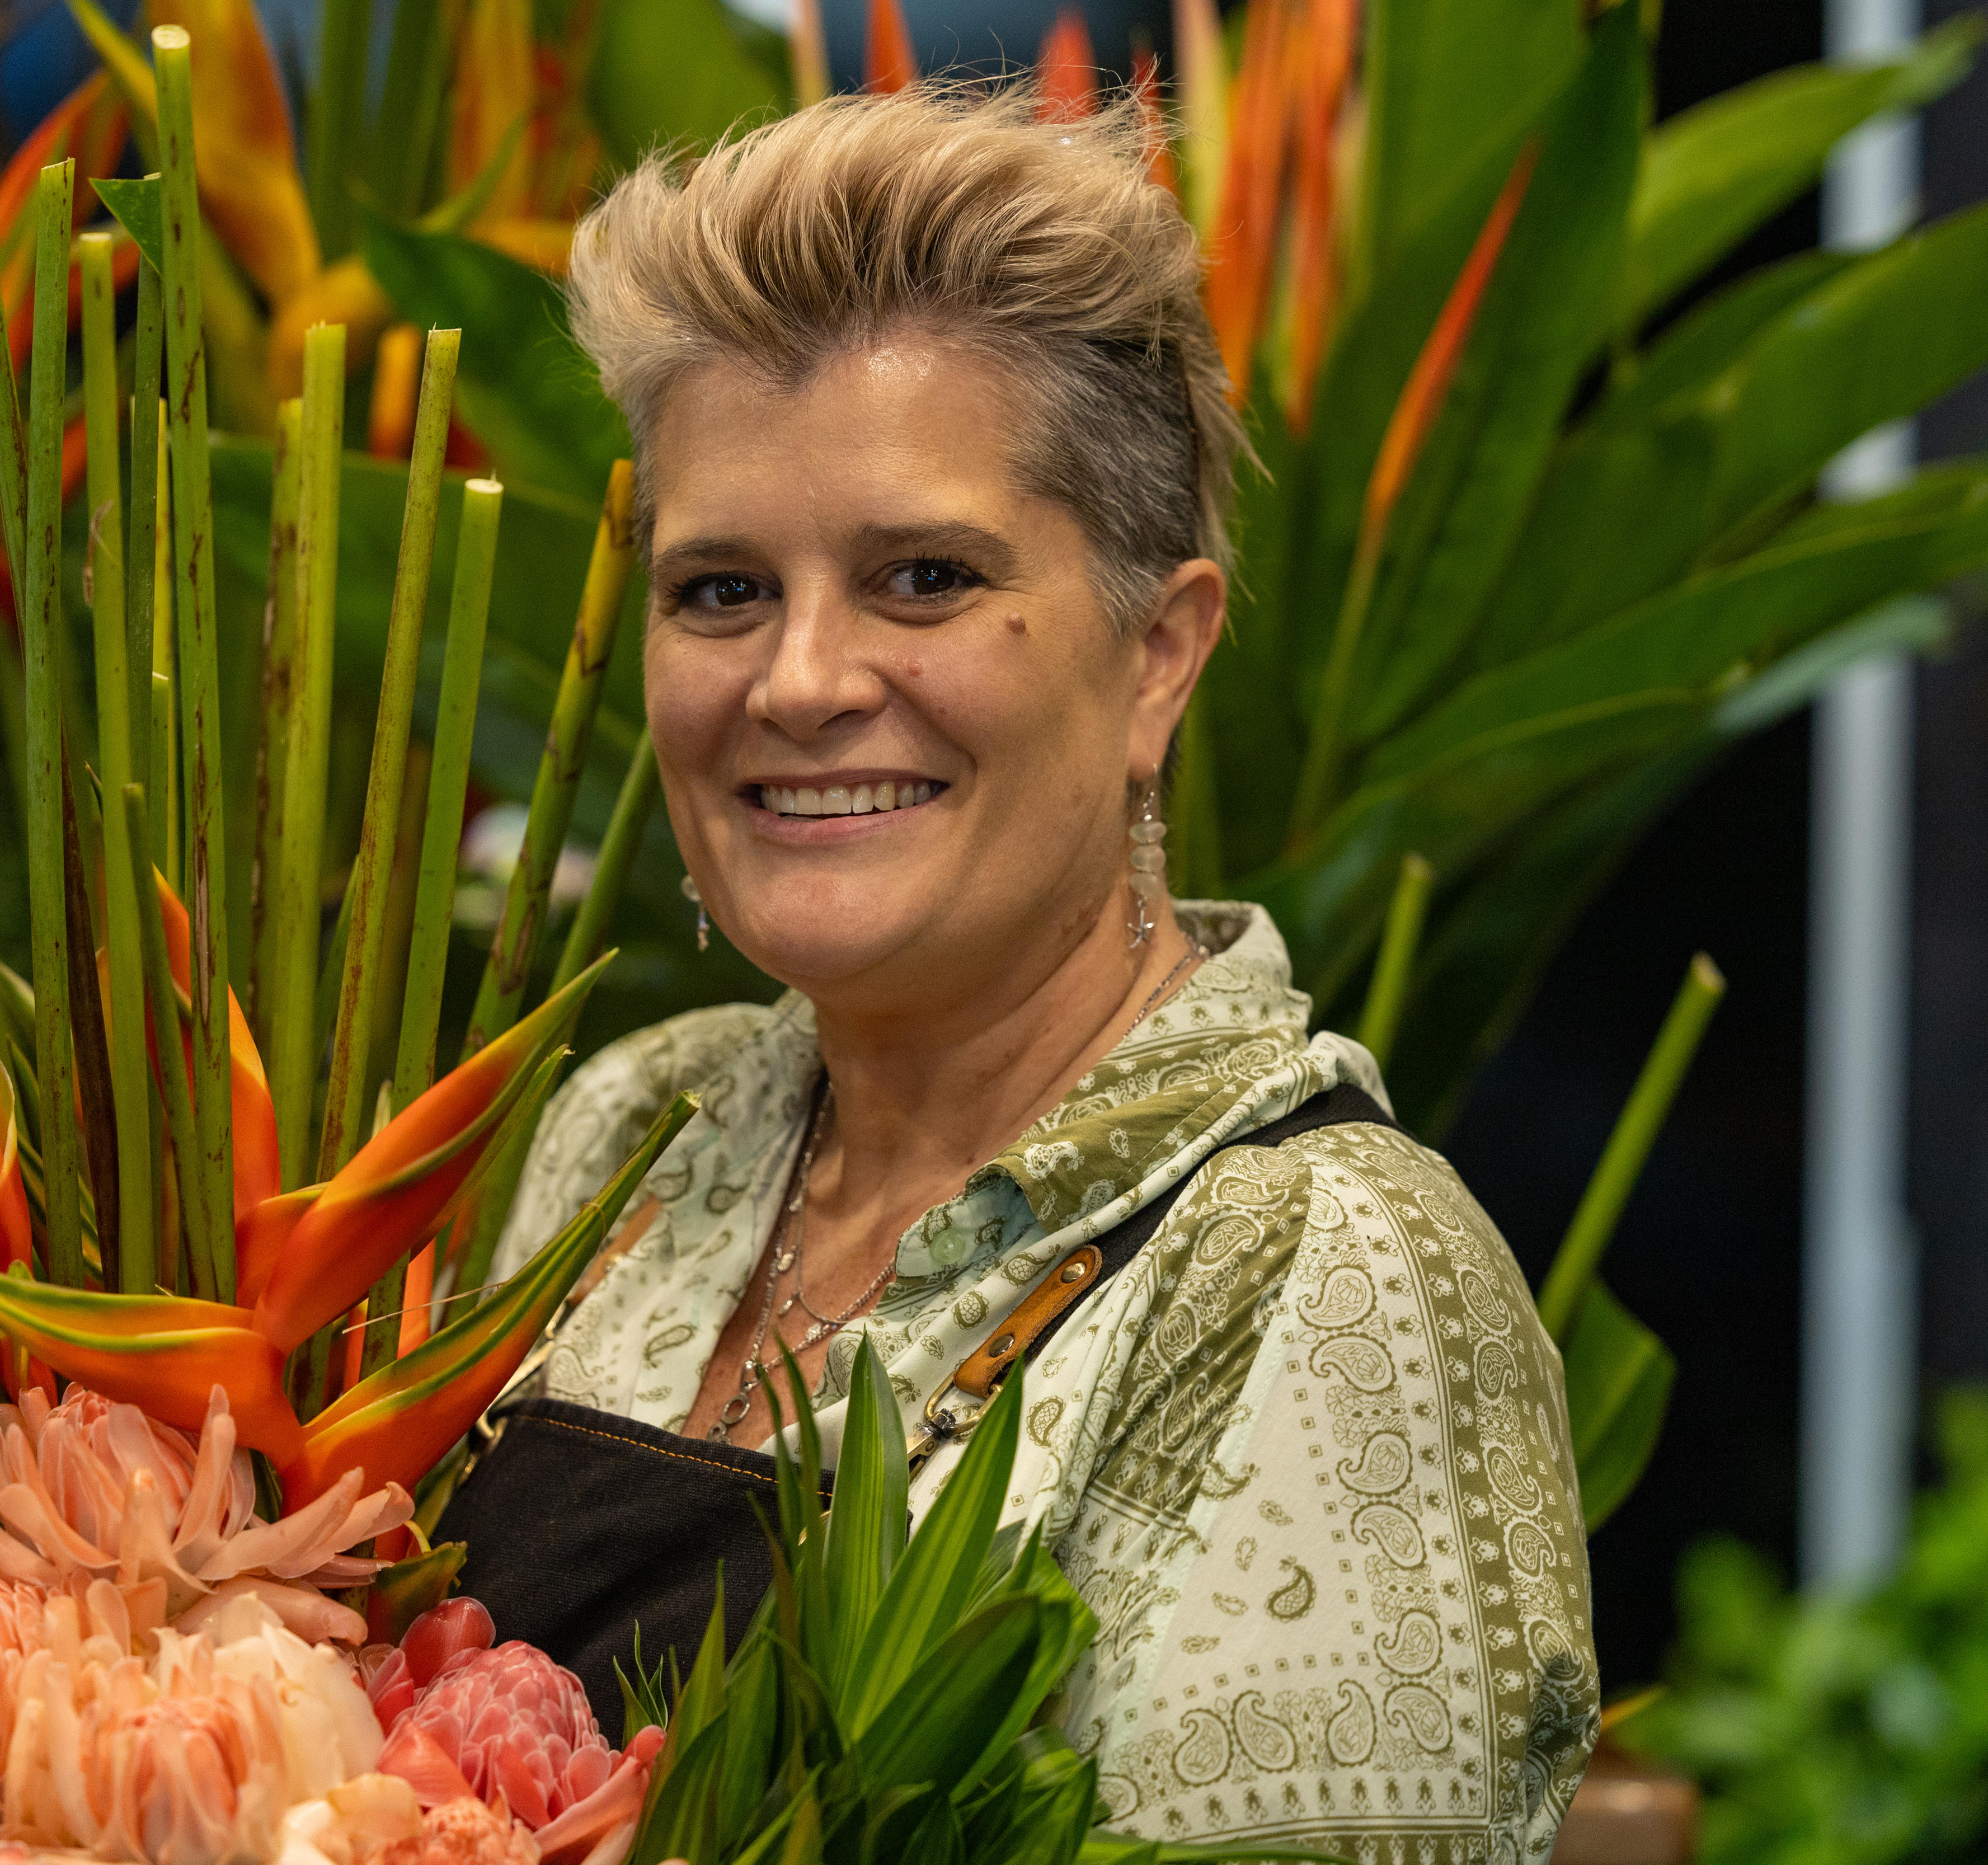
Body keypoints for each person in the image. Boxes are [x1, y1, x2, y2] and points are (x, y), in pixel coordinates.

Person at [435, 79, 1598, 1865]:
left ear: (1159, 660)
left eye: (921, 576)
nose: (801, 681)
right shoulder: (627, 1138)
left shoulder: (1319, 1271)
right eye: (721, 590)